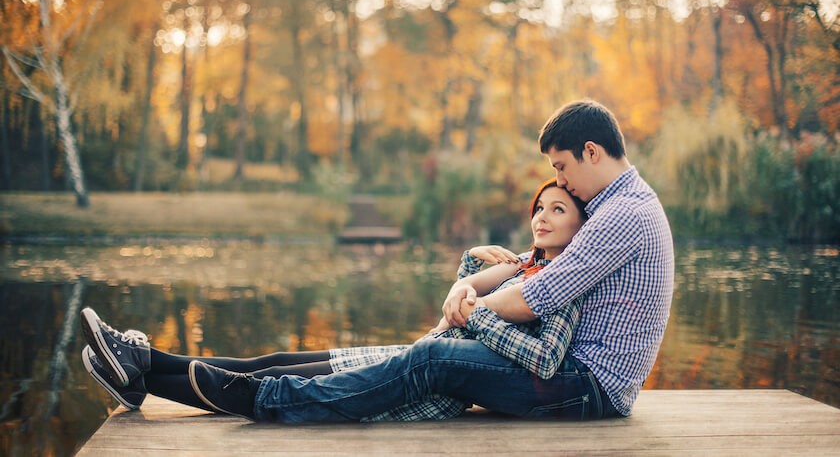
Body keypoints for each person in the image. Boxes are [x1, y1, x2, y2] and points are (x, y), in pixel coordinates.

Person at [86, 99, 674, 423]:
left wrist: (466, 305)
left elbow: (533, 297)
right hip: (561, 373)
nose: (558, 181)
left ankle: (264, 400)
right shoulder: (609, 209)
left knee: (434, 356)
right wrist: (473, 281)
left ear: (591, 151)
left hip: (584, 387)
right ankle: (145, 364)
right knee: (333, 355)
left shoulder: (623, 214)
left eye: (562, 168)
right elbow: (531, 266)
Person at [81, 179, 590, 421]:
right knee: (278, 360)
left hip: (429, 388)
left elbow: (544, 358)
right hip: (412, 355)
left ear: (581, 225)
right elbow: (453, 314)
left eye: (558, 209)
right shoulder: (525, 264)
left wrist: (479, 314)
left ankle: (142, 371)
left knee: (271, 380)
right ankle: (142, 366)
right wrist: (470, 268)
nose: (541, 217)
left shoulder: (566, 281)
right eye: (538, 207)